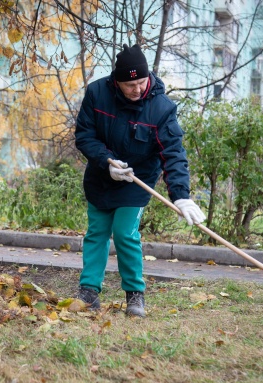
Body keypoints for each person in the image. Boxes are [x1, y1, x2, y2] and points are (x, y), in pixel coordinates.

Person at [74, 43, 205, 317]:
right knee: (96, 232)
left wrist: (181, 195)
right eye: (129, 84)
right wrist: (106, 161)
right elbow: (85, 135)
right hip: (102, 175)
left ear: (149, 77)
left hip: (137, 180)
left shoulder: (161, 108)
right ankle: (88, 291)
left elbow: (173, 152)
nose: (136, 89)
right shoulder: (97, 93)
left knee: (124, 233)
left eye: (141, 82)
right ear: (117, 82)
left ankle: (135, 294)